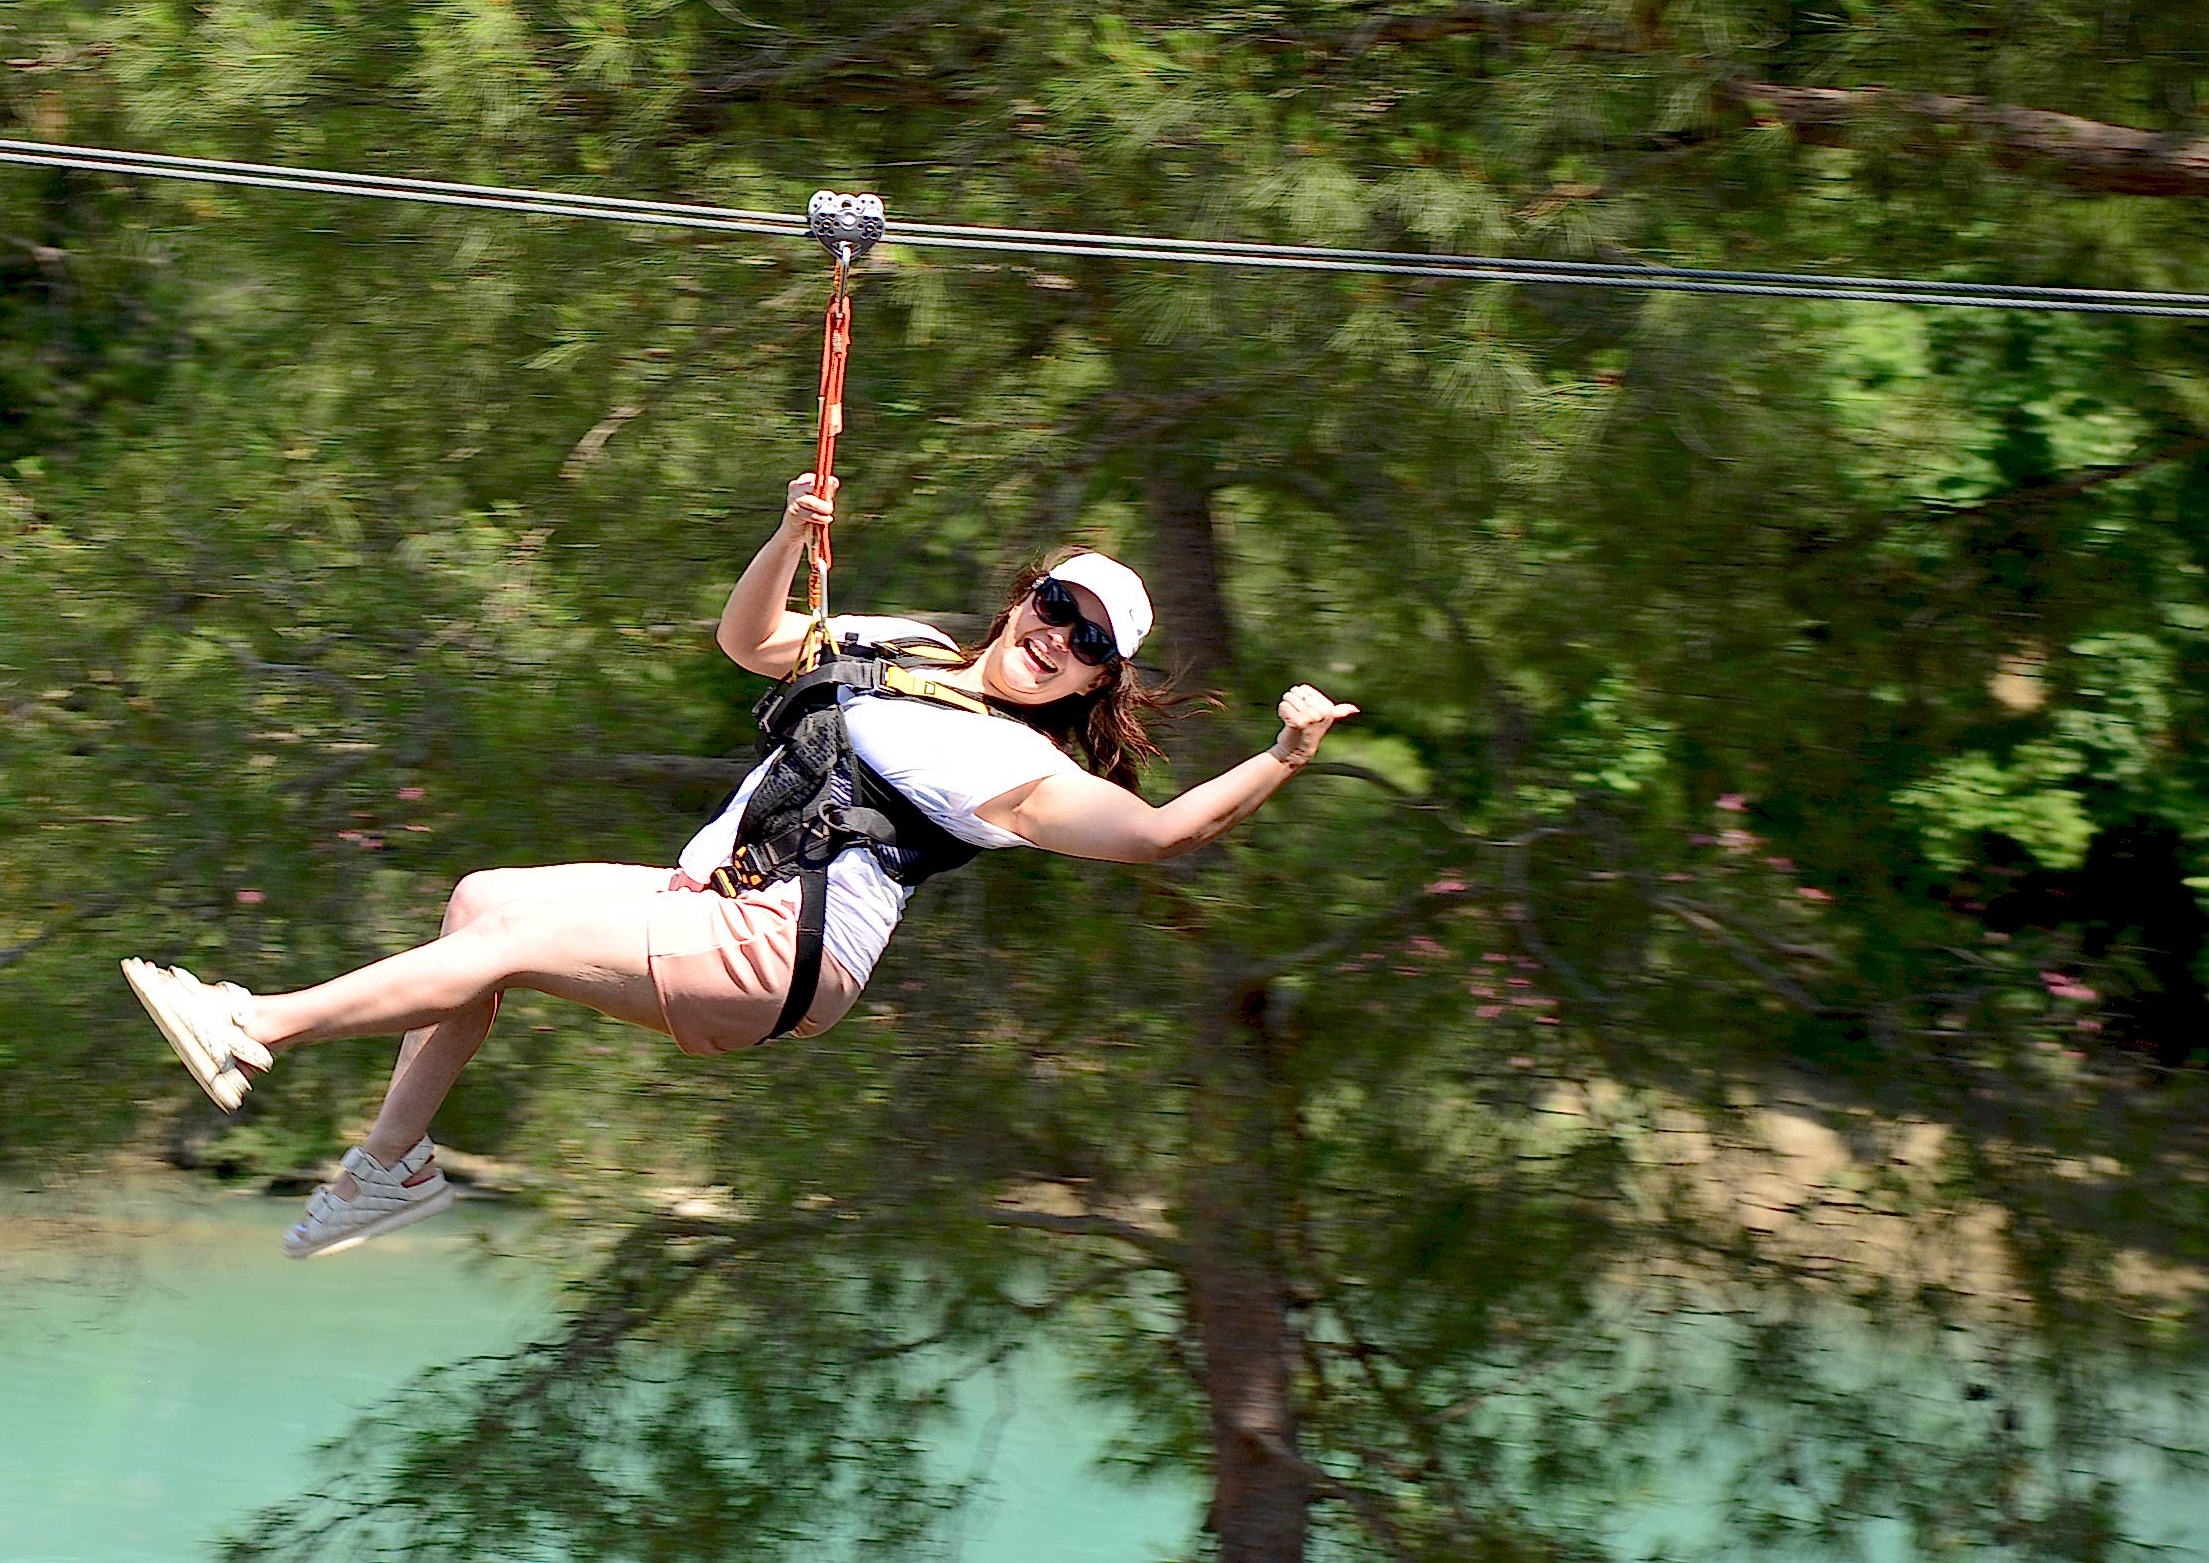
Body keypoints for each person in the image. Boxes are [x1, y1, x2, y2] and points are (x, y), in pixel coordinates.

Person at [124, 475, 1357, 1258]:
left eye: (1086, 645)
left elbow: (1160, 836)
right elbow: (752, 640)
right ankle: (389, 1165)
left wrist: (1282, 756)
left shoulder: (1013, 768)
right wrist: (787, 535)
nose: (1056, 639)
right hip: (714, 900)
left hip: (782, 953)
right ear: (1022, 597)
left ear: (1094, 682)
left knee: (502, 942)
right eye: (1054, 606)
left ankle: (255, 1026)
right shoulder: (903, 644)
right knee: (481, 902)